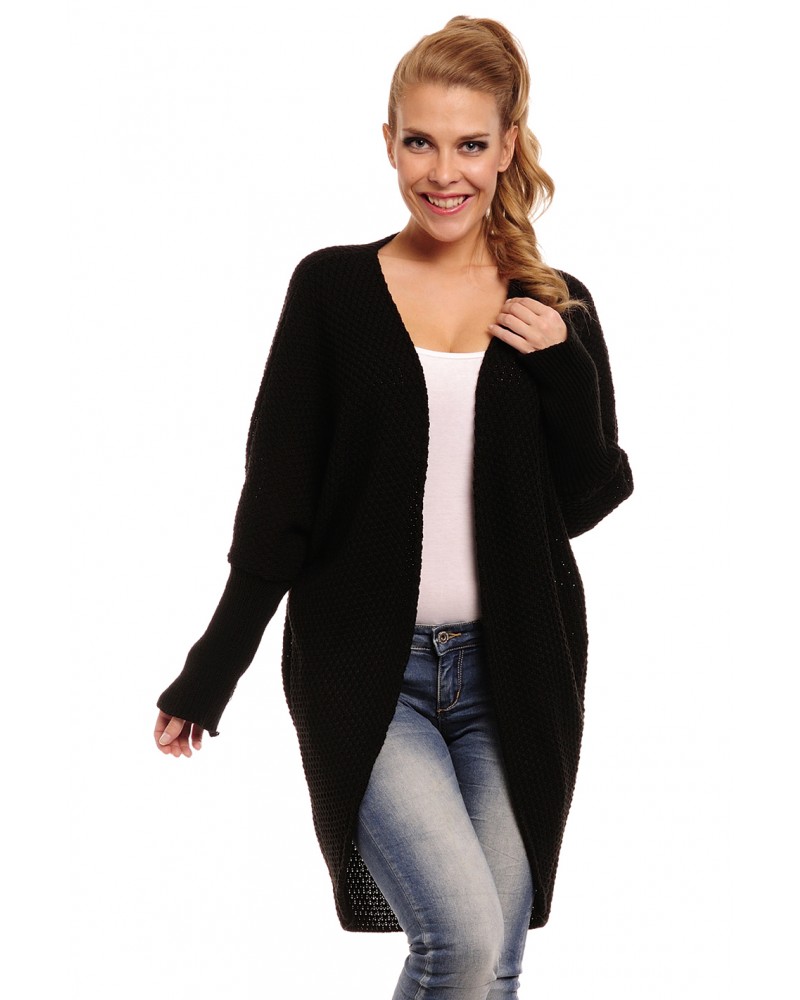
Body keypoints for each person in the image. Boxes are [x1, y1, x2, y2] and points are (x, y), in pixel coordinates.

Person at [154, 15, 633, 1000]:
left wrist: (565, 369)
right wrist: (212, 668)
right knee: (461, 939)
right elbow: (277, 503)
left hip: (514, 673)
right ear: (388, 142)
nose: (443, 172)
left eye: (470, 144)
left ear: (507, 146)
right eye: (420, 142)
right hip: (369, 674)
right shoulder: (332, 290)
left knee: (495, 959)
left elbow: (586, 499)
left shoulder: (553, 301)